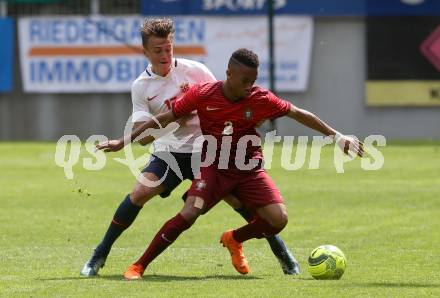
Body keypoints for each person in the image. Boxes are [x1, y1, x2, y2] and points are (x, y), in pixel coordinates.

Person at [97, 48, 364, 279]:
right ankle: (139, 265)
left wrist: (337, 136)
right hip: (213, 166)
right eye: (245, 80)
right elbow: (165, 118)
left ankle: (234, 238)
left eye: (254, 80)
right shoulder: (203, 95)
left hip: (249, 169)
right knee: (190, 213)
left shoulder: (261, 98)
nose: (250, 85)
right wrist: (125, 140)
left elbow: (298, 113)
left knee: (277, 219)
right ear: (229, 74)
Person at [81, 18, 299, 277]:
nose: (164, 55)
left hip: (205, 152)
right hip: (169, 153)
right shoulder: (141, 86)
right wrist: (173, 122)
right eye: (158, 50)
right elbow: (144, 138)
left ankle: (283, 254)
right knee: (139, 193)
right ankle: (100, 254)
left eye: (168, 48)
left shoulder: (195, 71)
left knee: (238, 200)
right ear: (145, 52)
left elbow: (225, 101)